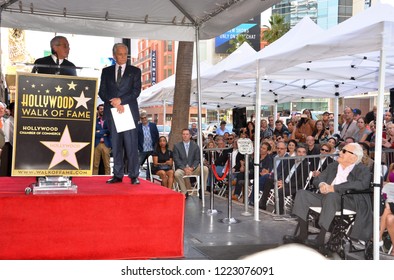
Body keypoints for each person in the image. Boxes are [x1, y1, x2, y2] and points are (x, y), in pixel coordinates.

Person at [283, 143, 372, 248]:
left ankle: (320, 239)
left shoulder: (362, 169)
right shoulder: (333, 165)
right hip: (328, 198)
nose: (339, 152)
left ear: (354, 157)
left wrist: (334, 188)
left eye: (344, 151)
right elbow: (318, 179)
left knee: (332, 196)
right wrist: (322, 185)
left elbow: (362, 184)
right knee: (302, 194)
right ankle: (302, 235)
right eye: (340, 150)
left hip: (349, 200)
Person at [98, 43, 141, 184]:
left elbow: (136, 91)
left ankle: (134, 175)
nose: (123, 57)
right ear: (114, 55)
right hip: (112, 113)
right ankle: (117, 175)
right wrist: (113, 102)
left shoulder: (135, 71)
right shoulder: (106, 71)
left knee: (131, 145)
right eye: (120, 54)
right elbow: (101, 92)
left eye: (125, 54)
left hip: (128, 112)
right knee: (116, 146)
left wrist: (121, 100)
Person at [173, 128, 208, 198]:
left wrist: (192, 168)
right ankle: (184, 191)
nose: (185, 136)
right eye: (183, 134)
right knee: (177, 174)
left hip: (194, 168)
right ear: (182, 136)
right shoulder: (177, 146)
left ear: (190, 136)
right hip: (182, 168)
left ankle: (202, 190)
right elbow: (176, 159)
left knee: (205, 169)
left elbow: (197, 159)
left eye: (187, 134)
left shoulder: (195, 146)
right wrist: (184, 168)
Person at [137, 111, 159, 179]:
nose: (144, 119)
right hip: (142, 149)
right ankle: (134, 176)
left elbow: (156, 136)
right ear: (140, 119)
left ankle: (148, 177)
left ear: (147, 118)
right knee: (138, 163)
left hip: (152, 148)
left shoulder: (153, 125)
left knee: (150, 164)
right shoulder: (138, 127)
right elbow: (136, 138)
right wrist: (138, 147)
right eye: (142, 118)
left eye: (145, 117)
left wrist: (156, 147)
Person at [93, 104, 111, 175]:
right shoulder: (95, 120)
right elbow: (93, 132)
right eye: (100, 109)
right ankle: (94, 179)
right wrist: (104, 132)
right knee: (95, 164)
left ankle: (107, 178)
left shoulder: (109, 120)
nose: (102, 110)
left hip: (106, 144)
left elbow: (109, 131)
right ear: (98, 110)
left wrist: (99, 131)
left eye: (103, 109)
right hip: (97, 144)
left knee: (107, 164)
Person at [0, 103, 14, 176]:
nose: (1, 110)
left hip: (8, 148)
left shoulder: (6, 121)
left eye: (2, 108)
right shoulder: (8, 121)